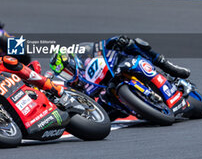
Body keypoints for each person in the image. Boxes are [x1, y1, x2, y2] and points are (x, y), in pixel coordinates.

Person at [49, 35, 191, 120]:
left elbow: (103, 45)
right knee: (103, 114)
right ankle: (143, 107)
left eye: (67, 71)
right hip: (111, 97)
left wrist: (117, 41)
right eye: (63, 75)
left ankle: (170, 68)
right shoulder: (74, 86)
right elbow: (84, 104)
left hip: (120, 67)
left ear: (73, 61)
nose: (67, 75)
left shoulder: (85, 54)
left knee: (133, 44)